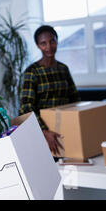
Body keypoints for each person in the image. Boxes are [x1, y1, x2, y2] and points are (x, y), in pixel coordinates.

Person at [19, 25, 80, 156]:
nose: (49, 47)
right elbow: (26, 108)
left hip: (67, 130)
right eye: (43, 43)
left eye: (52, 41)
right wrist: (44, 131)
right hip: (43, 133)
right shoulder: (32, 72)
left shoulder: (63, 69)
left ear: (57, 41)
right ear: (37, 45)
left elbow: (75, 99)